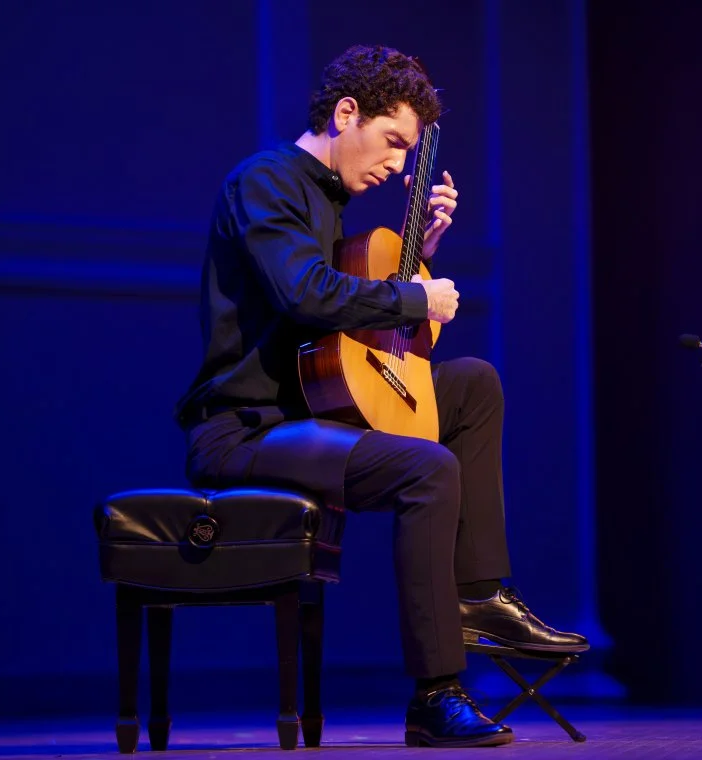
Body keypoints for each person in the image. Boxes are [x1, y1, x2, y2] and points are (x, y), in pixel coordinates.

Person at [173, 44, 587, 748]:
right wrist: (415, 295)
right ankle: (435, 695)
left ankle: (479, 594)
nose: (398, 165)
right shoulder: (266, 183)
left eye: (407, 150)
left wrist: (419, 257)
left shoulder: (333, 202)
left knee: (473, 383)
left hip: (311, 412)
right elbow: (306, 297)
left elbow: (341, 341)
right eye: (393, 140)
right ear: (346, 113)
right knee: (428, 469)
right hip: (244, 430)